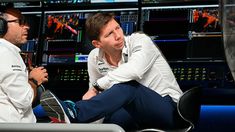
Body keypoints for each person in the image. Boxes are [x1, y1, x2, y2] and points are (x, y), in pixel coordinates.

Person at [40, 12, 184, 130]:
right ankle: (74, 120)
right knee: (111, 121)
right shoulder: (94, 57)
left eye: (118, 28)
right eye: (109, 34)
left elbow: (134, 71)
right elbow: (97, 99)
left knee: (127, 87)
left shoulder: (140, 40)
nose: (118, 35)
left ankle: (76, 112)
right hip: (135, 112)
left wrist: (98, 86)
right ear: (97, 44)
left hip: (172, 110)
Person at [0, 8, 48, 122]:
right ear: (1, 25)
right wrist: (34, 80)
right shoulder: (6, 53)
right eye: (20, 22)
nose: (27, 27)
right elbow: (25, 100)